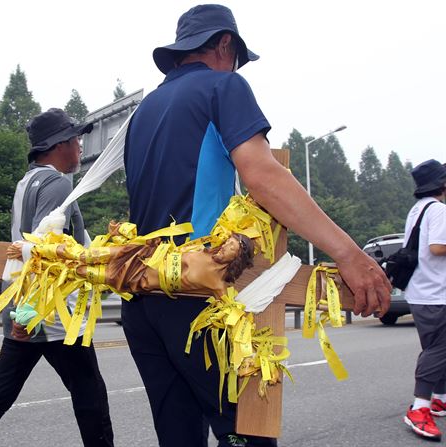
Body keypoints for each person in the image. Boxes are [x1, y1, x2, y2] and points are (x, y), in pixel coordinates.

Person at [122, 4, 391, 447]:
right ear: (225, 45)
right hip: (199, 300)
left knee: (177, 435)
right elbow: (263, 176)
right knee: (246, 433)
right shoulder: (223, 86)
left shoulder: (145, 110)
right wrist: (348, 254)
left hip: (142, 295)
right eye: (237, 57)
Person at [0, 108, 114, 447]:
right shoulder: (57, 183)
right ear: (59, 146)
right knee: (91, 398)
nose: (81, 146)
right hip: (51, 317)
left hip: (24, 307)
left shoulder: (27, 182)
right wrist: (31, 317)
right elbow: (42, 247)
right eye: (75, 140)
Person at [401, 159, 446, 441]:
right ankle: (419, 408)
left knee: (438, 347)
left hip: (422, 290)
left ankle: (439, 398)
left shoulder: (419, 209)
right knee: (438, 349)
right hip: (436, 292)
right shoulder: (439, 209)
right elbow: (438, 247)